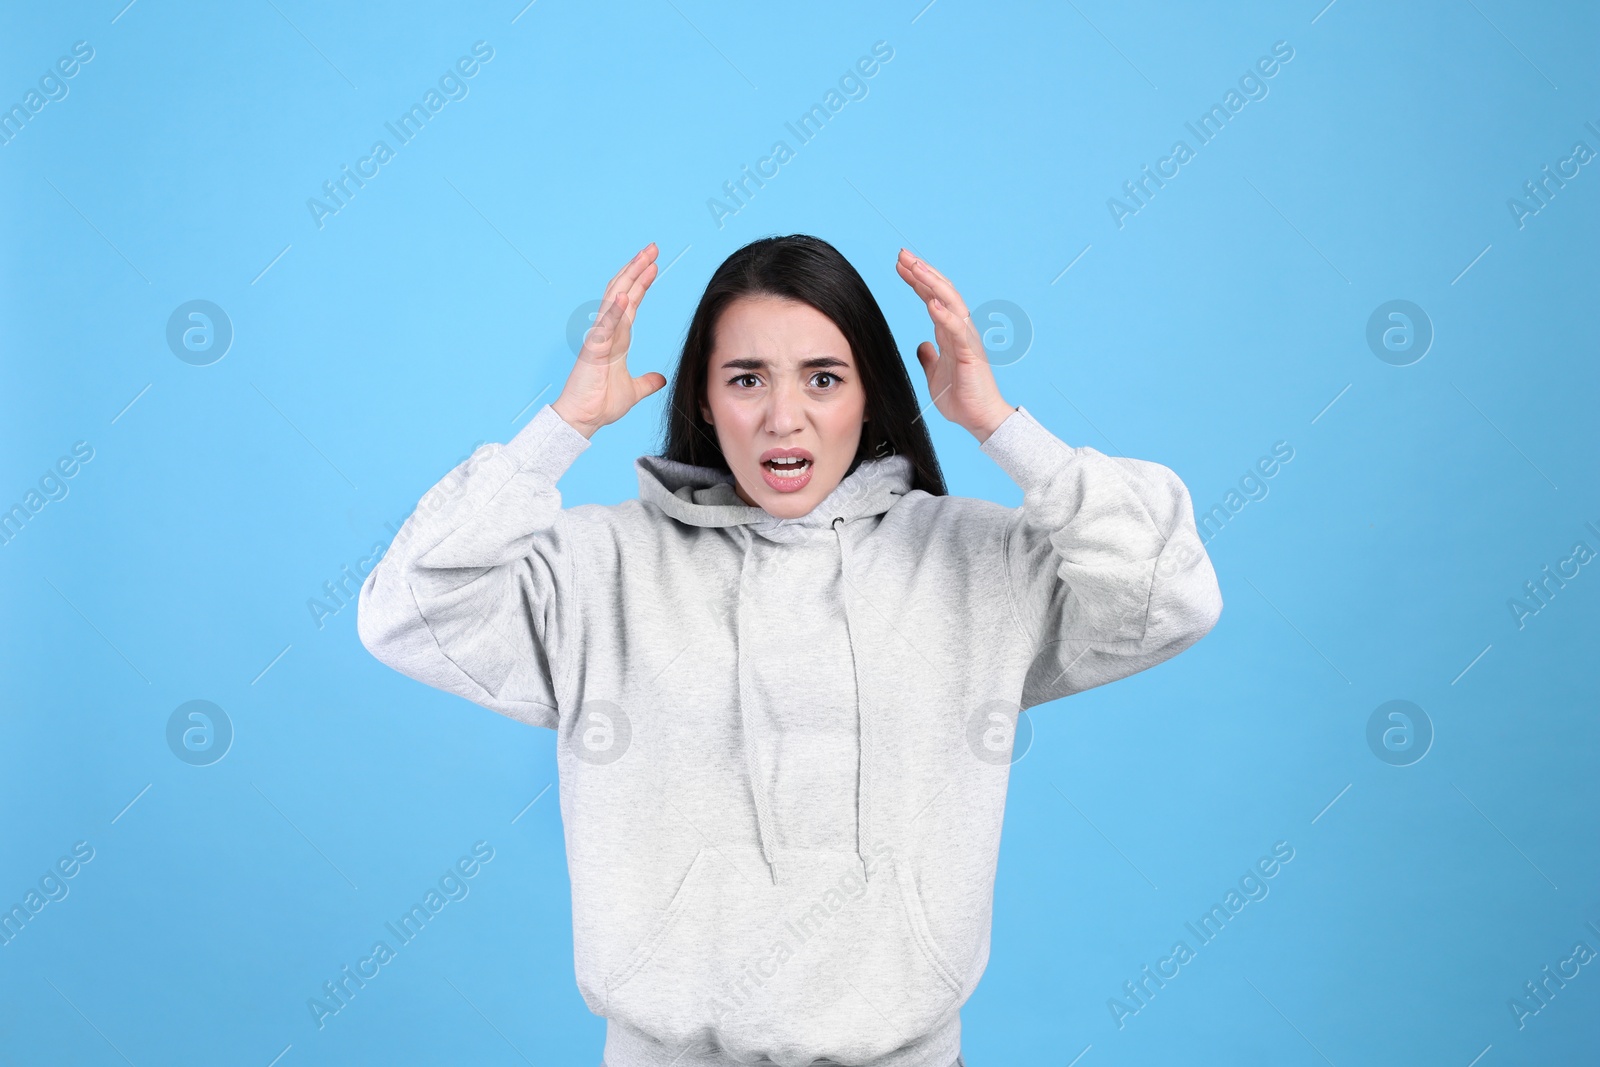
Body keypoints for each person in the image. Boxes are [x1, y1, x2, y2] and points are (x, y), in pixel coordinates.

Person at [357, 235, 1223, 1067]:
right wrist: (564, 423)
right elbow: (408, 607)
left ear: (870, 395)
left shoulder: (977, 561)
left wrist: (999, 424)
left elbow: (1169, 592)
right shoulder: (600, 566)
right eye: (746, 378)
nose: (784, 416)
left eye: (823, 378)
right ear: (702, 397)